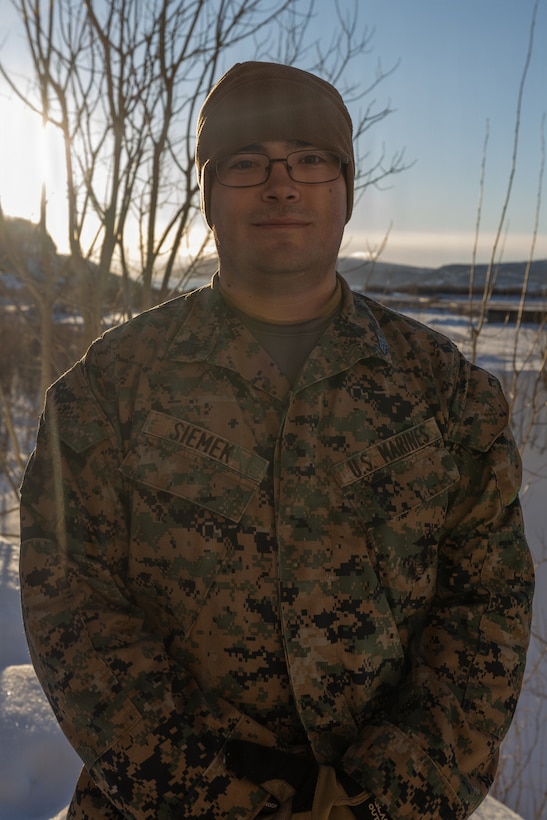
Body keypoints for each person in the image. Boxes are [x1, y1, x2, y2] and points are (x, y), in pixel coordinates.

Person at [19, 61, 534, 820]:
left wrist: (387, 796)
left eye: (310, 159)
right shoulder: (110, 389)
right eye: (246, 162)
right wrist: (218, 796)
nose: (281, 184)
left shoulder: (445, 393)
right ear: (208, 194)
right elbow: (73, 607)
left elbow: (485, 605)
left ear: (345, 189)